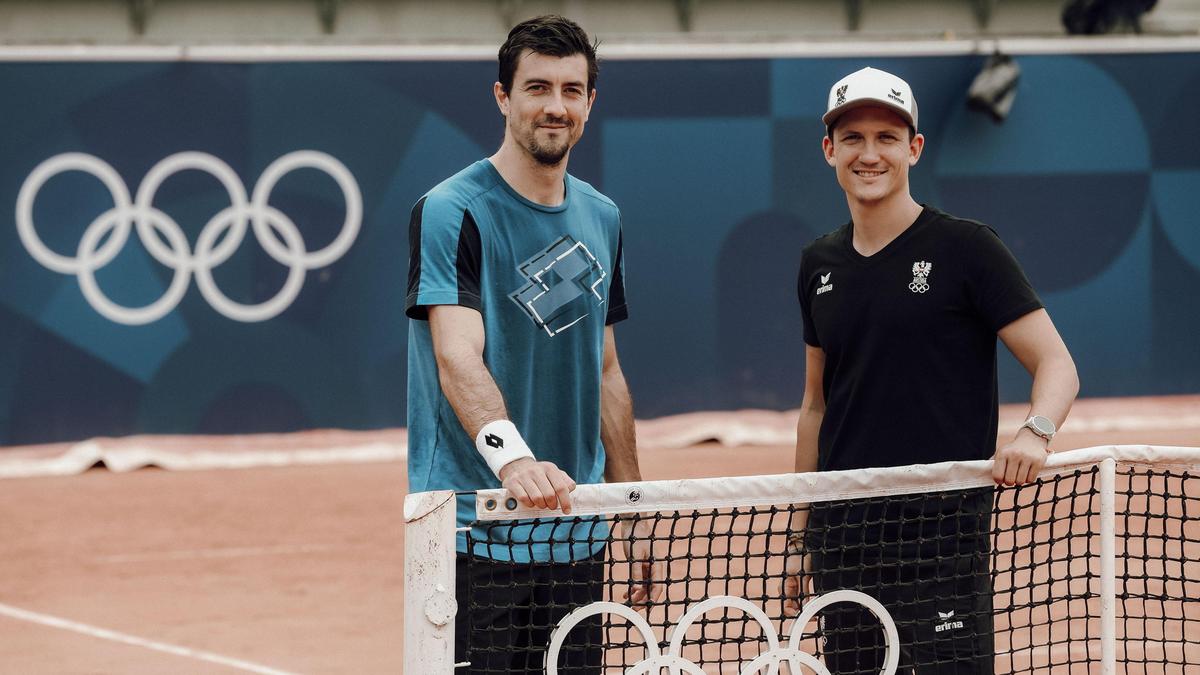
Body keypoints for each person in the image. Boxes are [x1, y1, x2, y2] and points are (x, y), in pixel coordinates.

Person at [782, 67, 1079, 673]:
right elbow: (816, 406)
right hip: (844, 541)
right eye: (854, 138)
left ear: (914, 149)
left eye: (887, 138)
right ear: (829, 151)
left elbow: (1056, 364)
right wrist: (799, 539)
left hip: (941, 540)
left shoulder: (967, 248)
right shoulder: (818, 263)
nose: (870, 154)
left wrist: (1035, 431)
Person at [405, 14, 659, 674]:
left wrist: (632, 510)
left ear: (589, 103)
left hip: (577, 530)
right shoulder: (452, 209)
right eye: (537, 87)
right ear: (503, 96)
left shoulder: (603, 217)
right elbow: (457, 354)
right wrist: (514, 461)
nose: (555, 106)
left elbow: (606, 371)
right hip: (475, 527)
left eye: (571, 91)